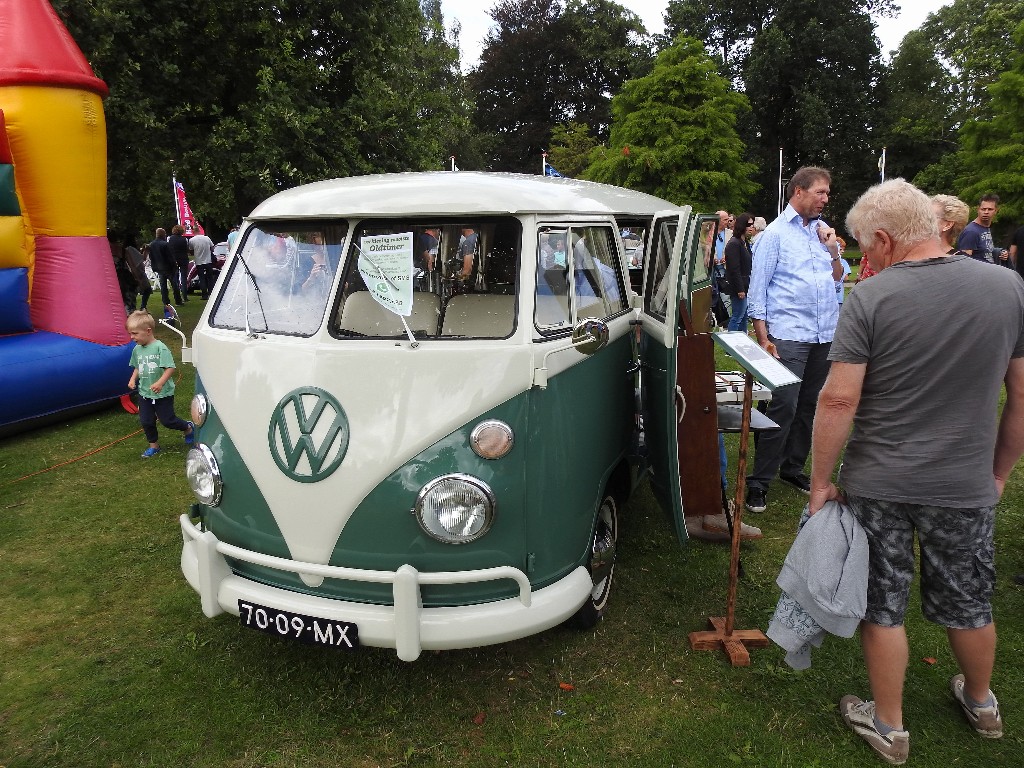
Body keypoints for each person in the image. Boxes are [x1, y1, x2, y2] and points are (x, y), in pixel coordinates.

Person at [808, 179, 1024, 764]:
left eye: (863, 247)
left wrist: (820, 482)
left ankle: (890, 726)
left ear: (884, 237)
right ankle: (981, 703)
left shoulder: (870, 298)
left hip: (881, 483)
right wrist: (1000, 473)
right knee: (970, 601)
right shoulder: (1008, 287)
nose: (863, 259)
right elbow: (1021, 394)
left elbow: (836, 401)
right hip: (965, 483)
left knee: (884, 604)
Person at [744, 166, 843, 513]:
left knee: (810, 405)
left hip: (824, 334)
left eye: (827, 193)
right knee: (783, 406)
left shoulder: (822, 232)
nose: (825, 199)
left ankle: (792, 468)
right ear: (798, 192)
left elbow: (837, 279)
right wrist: (764, 337)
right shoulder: (773, 235)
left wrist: (832, 249)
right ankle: (758, 481)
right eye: (820, 192)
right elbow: (758, 290)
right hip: (788, 334)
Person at [126, 310, 195, 458]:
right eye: (130, 334)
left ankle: (188, 427)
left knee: (168, 421)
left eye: (134, 333)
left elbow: (170, 368)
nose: (132, 337)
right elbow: (138, 366)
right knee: (146, 421)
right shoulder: (137, 349)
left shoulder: (160, 348)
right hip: (144, 393)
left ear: (148, 331)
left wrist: (160, 383)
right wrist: (133, 379)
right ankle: (154, 446)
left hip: (162, 393)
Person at [957, 193, 1009, 266]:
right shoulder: (971, 231)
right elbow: (964, 261)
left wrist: (1000, 253)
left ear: (996, 211)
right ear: (978, 210)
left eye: (990, 209)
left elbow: (984, 251)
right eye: (983, 209)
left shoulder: (985, 228)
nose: (986, 212)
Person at [724, 212, 755, 332]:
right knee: (737, 316)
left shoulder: (744, 243)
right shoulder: (734, 243)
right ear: (742, 225)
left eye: (752, 225)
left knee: (743, 316)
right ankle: (732, 347)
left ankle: (742, 342)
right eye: (749, 225)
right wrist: (740, 289)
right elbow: (734, 269)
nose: (751, 227)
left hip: (746, 285)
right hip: (738, 287)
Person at [148, 227, 181, 307]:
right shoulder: (165, 244)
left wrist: (154, 266)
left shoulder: (151, 244)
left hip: (159, 267)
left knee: (163, 286)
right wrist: (174, 265)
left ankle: (166, 301)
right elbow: (170, 257)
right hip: (168, 267)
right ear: (163, 235)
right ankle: (178, 300)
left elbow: (151, 256)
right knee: (174, 285)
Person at [188, 230, 216, 299]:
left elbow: (191, 250)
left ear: (193, 232)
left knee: (202, 278)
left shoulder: (192, 240)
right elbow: (212, 248)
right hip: (208, 260)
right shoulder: (207, 238)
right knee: (210, 278)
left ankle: (204, 295)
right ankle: (211, 293)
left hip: (199, 261)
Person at [167, 224, 191, 301]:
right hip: (183, 259)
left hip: (174, 260)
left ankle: (177, 296)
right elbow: (187, 249)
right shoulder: (184, 239)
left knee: (175, 278)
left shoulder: (170, 239)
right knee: (184, 278)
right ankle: (185, 296)